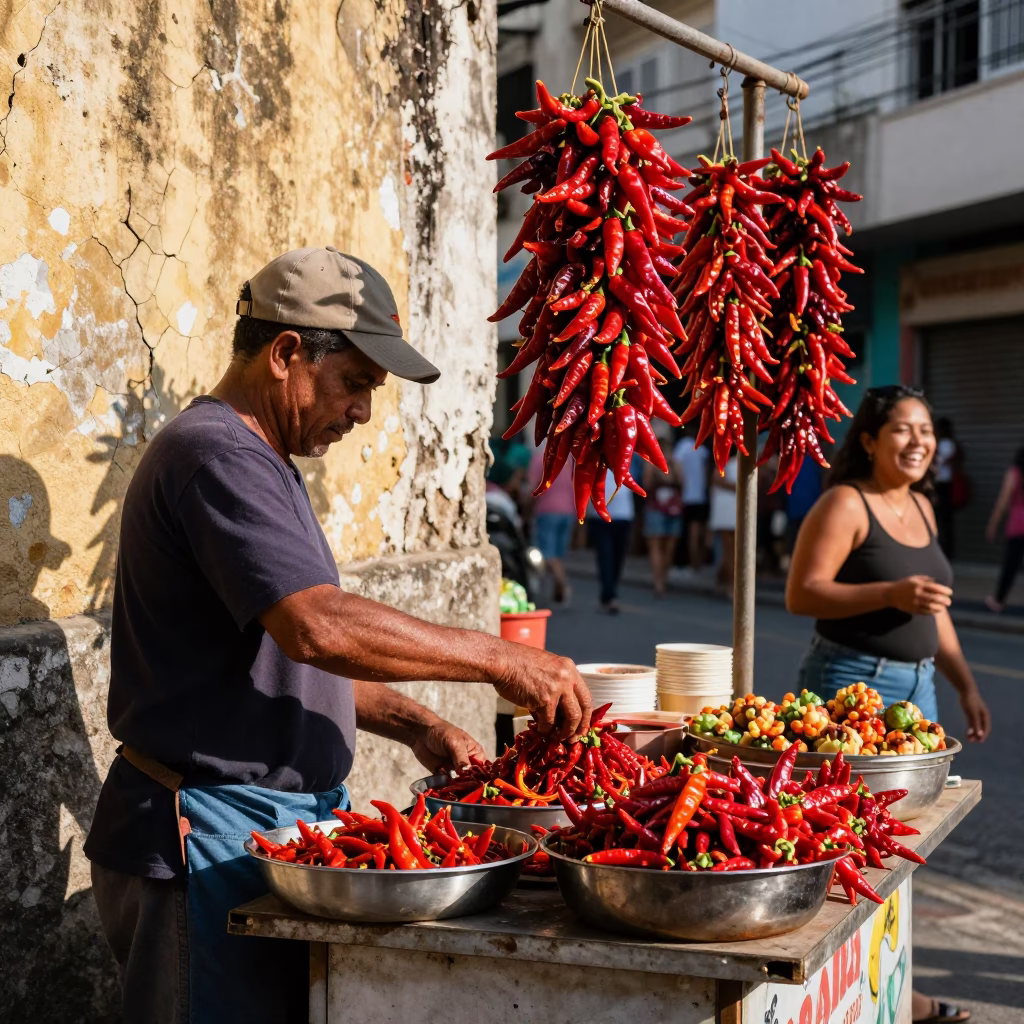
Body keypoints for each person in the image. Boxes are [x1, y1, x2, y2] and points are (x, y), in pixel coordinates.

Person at [83, 248, 593, 1024]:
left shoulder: (264, 460)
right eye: (355, 382)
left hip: (264, 826)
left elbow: (283, 657)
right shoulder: (217, 454)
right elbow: (316, 628)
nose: (361, 411)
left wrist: (419, 724)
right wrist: (499, 659)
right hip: (206, 832)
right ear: (287, 353)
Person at [786, 385, 990, 1024]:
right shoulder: (845, 503)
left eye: (926, 430)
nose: (918, 441)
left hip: (918, 691)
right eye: (902, 429)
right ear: (870, 440)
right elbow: (803, 593)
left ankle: (893, 989)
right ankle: (833, 989)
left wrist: (964, 684)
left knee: (900, 846)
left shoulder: (925, 508)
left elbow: (935, 611)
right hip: (846, 685)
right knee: (838, 846)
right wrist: (889, 591)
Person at [527, 442, 575, 604]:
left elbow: (533, 489)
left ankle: (563, 585)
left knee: (547, 553)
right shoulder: (570, 460)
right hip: (569, 510)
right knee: (558, 553)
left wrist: (527, 508)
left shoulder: (540, 458)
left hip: (547, 510)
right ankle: (557, 590)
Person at [586, 466, 635, 614]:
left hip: (622, 516)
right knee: (606, 556)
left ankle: (607, 594)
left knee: (617, 558)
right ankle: (610, 595)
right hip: (601, 517)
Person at [642, 432, 684, 596]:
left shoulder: (675, 463)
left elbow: (682, 482)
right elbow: (646, 483)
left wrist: (671, 469)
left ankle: (662, 577)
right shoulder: (650, 463)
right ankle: (658, 580)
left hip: (672, 507)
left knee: (668, 546)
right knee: (656, 544)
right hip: (656, 507)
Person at [984, 445, 1024, 613]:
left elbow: (1002, 502)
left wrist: (992, 525)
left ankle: (998, 600)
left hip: (1018, 525)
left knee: (1010, 565)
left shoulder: (1014, 473)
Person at [674, 429, 711, 575]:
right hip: (699, 496)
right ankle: (696, 564)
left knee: (687, 533)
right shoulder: (702, 449)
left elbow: (677, 467)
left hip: (686, 495)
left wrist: (680, 484)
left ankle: (688, 562)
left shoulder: (682, 446)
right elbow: (706, 472)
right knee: (697, 533)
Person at [709, 454, 738, 593]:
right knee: (729, 550)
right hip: (726, 510)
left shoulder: (731, 463)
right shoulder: (726, 463)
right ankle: (730, 583)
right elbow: (717, 480)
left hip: (732, 509)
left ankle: (726, 580)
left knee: (732, 550)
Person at [932, 417, 960, 557]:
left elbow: (941, 461)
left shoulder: (946, 444)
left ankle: (944, 551)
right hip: (942, 485)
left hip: (944, 485)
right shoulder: (945, 444)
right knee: (943, 521)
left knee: (942, 521)